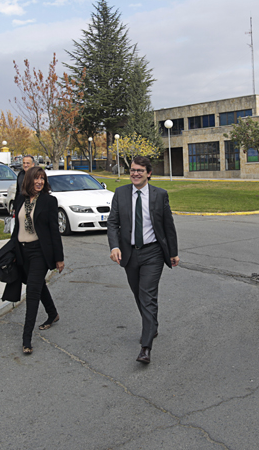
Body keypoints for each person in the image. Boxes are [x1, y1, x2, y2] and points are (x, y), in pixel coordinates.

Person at [107, 156, 179, 364]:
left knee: (147, 296)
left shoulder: (159, 195)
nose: (135, 173)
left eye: (140, 170)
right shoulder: (120, 193)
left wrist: (173, 252)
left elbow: (168, 226)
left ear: (148, 173)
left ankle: (145, 347)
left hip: (153, 253)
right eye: (132, 170)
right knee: (138, 294)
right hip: (129, 254)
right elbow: (113, 223)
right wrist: (114, 246)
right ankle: (152, 326)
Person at [11, 166, 64, 355]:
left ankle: (26, 339)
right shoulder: (20, 199)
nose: (40, 182)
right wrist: (12, 251)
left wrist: (59, 258)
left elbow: (54, 230)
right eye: (36, 178)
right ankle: (52, 313)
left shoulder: (49, 201)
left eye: (42, 178)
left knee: (32, 292)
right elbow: (16, 228)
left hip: (40, 252)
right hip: (22, 251)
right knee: (38, 284)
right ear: (29, 180)